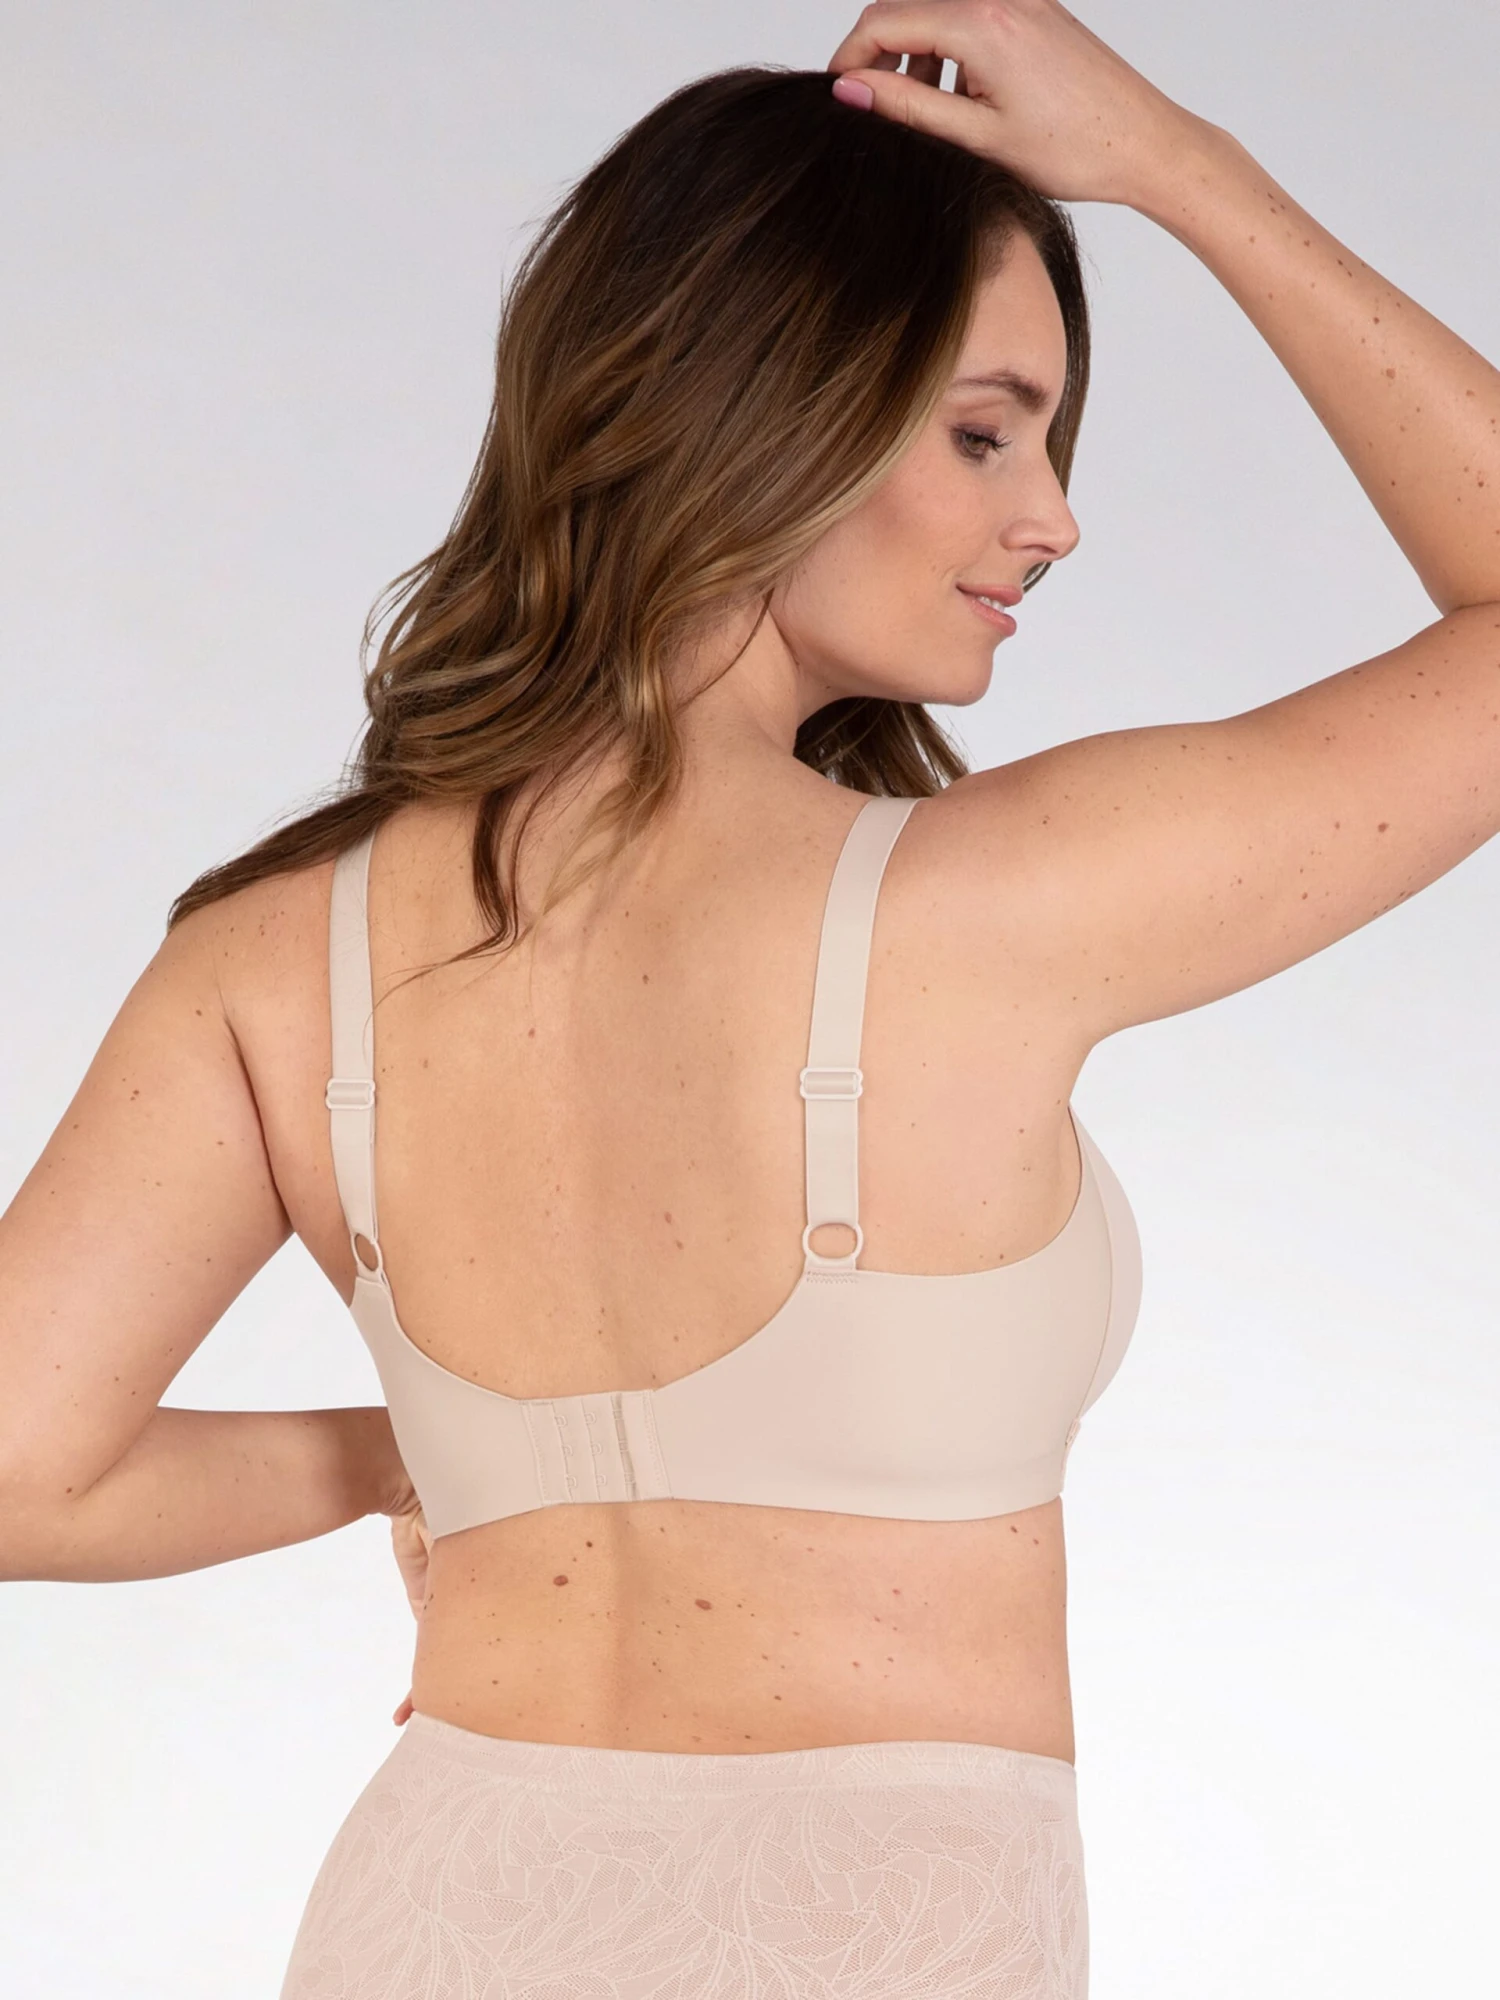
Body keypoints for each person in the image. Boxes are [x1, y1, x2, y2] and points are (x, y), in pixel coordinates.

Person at [2, 3, 1495, 1994]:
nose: (1052, 515)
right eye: (985, 430)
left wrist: (415, 1456)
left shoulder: (274, 958)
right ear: (765, 402)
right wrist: (1174, 163)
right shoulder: (993, 903)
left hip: (431, 1913)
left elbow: (22, 1465)